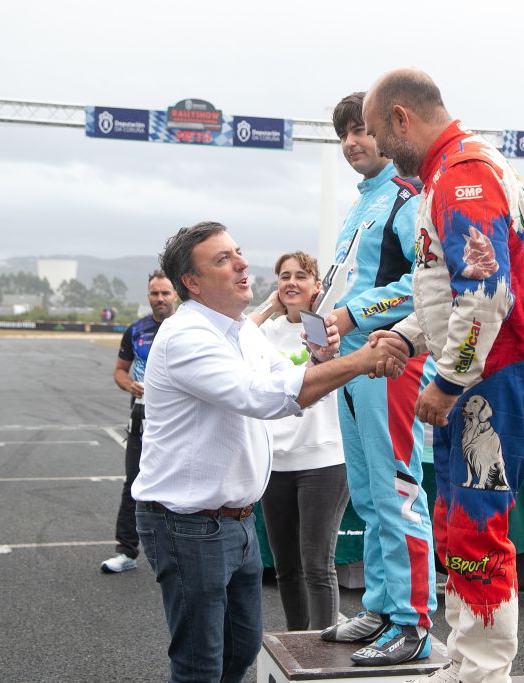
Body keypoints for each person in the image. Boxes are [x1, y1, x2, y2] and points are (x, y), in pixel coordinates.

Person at [131, 222, 410, 683]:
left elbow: (291, 379)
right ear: (191, 283)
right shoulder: (187, 336)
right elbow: (264, 396)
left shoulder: (242, 331)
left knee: (240, 652)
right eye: (222, 259)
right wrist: (359, 361)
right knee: (200, 663)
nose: (242, 263)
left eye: (237, 252)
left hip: (236, 522)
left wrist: (323, 360)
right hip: (189, 525)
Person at [363, 68, 524, 683]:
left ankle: (482, 671)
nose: (376, 148)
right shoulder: (448, 174)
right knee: (456, 522)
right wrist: (407, 333)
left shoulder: (465, 174)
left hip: (494, 375)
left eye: (376, 132)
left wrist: (446, 382)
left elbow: (485, 292)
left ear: (401, 118)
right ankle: (465, 658)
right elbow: (448, 293)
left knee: (476, 525)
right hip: (484, 369)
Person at [316, 91, 437, 667]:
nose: (351, 143)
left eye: (361, 131)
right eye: (343, 134)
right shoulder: (362, 202)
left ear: (388, 132)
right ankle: (382, 607)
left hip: (395, 359)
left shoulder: (408, 195)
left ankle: (413, 622)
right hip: (353, 363)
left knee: (396, 489)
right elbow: (351, 281)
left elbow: (428, 281)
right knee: (366, 492)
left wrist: (354, 314)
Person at [250, 251, 349, 631]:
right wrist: (268, 307)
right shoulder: (265, 333)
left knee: (316, 563)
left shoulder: (325, 327)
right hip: (276, 463)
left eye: (300, 276)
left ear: (316, 286)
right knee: (285, 566)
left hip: (324, 462)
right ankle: (297, 642)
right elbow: (235, 337)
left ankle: (324, 648)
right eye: (283, 276)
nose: (291, 282)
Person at [100, 270, 177, 574]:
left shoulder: (188, 327)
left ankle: (177, 550)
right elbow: (120, 370)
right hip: (141, 418)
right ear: (148, 296)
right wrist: (128, 384)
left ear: (176, 294)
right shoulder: (136, 330)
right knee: (134, 482)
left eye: (165, 293)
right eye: (154, 293)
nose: (159, 299)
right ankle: (126, 551)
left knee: (178, 486)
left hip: (177, 418)